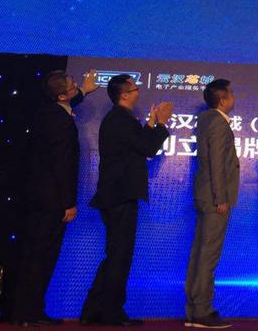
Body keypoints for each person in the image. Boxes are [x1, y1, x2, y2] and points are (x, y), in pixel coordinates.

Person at [80, 75, 172, 327]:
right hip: (120, 195)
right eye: (134, 87)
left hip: (118, 194)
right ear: (124, 95)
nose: (138, 91)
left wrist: (151, 124)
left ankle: (95, 310)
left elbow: (138, 144)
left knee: (115, 255)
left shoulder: (121, 119)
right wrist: (161, 124)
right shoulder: (119, 119)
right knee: (119, 256)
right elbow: (147, 148)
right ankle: (111, 313)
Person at [12, 69, 99, 325]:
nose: (76, 87)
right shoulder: (60, 121)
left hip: (38, 198)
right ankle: (29, 313)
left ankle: (25, 311)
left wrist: (84, 91)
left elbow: (69, 102)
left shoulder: (48, 112)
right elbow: (63, 165)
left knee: (35, 255)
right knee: (42, 257)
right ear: (61, 95)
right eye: (73, 86)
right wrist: (68, 203)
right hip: (51, 201)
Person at [185, 79, 240, 329]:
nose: (233, 97)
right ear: (222, 100)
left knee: (201, 252)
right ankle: (202, 311)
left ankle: (194, 308)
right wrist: (221, 198)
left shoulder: (206, 119)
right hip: (214, 199)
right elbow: (217, 162)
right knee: (208, 254)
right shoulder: (217, 122)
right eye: (231, 93)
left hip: (205, 195)